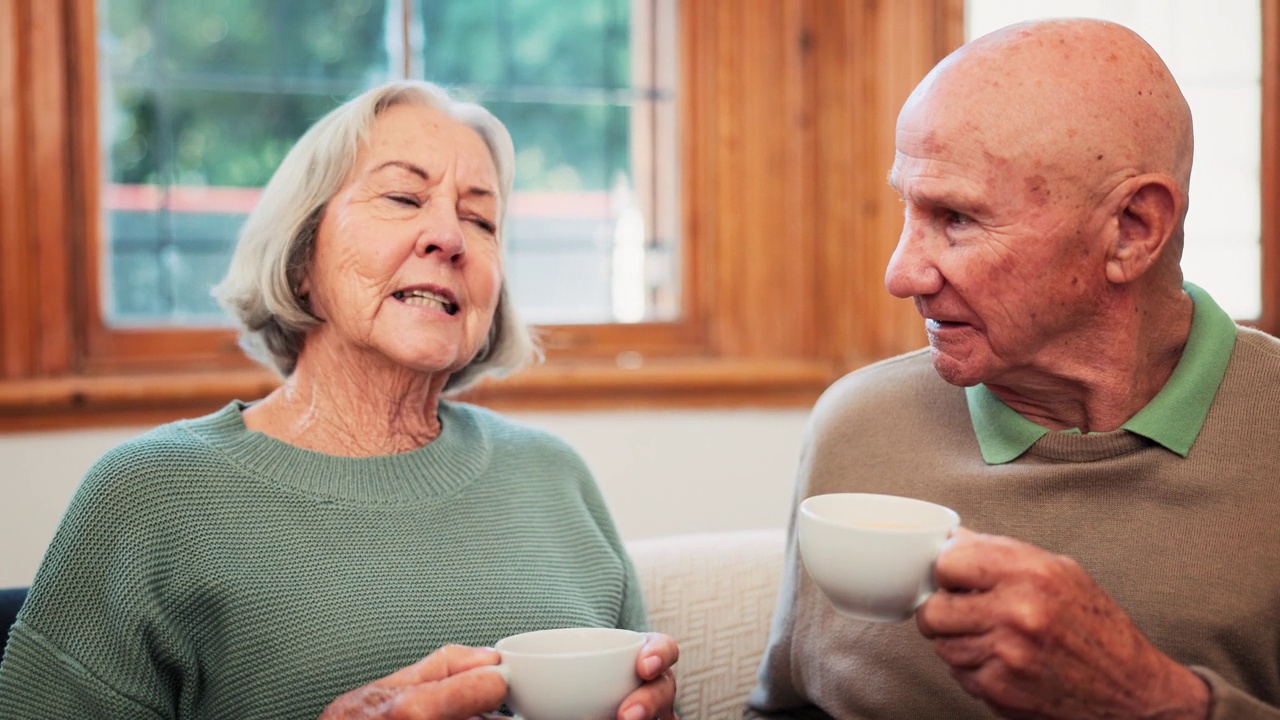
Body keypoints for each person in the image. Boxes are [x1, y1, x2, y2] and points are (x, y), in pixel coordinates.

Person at [0, 79, 678, 720]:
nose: (449, 237)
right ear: (301, 260)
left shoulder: (555, 476)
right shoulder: (147, 497)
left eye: (481, 219)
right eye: (404, 199)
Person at [747, 17, 1280, 720]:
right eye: (906, 208)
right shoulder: (857, 425)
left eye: (957, 218)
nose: (901, 273)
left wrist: (1153, 701)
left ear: (1133, 230)